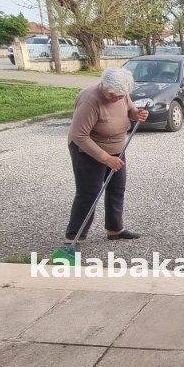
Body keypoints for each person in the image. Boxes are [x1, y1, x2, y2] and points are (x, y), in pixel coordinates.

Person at [65, 68, 148, 242]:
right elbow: (79, 135)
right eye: (113, 95)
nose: (117, 98)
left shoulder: (121, 92)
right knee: (89, 192)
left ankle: (114, 229)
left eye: (121, 95)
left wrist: (136, 113)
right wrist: (106, 158)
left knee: (117, 188)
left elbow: (129, 108)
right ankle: (73, 237)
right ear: (103, 85)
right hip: (87, 151)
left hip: (116, 149)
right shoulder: (89, 100)